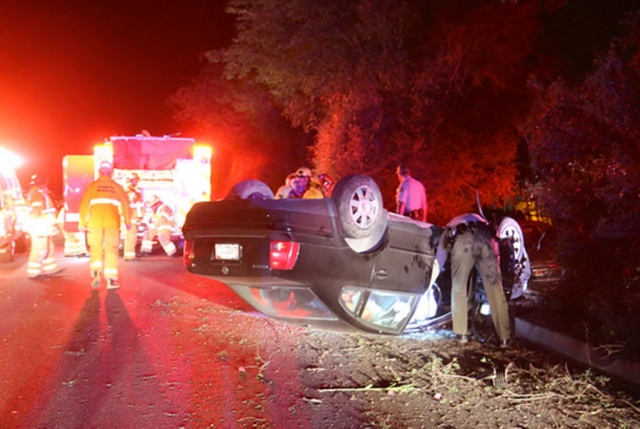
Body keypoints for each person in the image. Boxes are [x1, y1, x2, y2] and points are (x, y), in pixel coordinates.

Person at [437, 213, 511, 348]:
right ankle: (504, 338)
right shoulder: (478, 218)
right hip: (485, 238)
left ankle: (462, 334)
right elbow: (496, 241)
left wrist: (434, 275)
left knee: (459, 287)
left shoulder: (450, 226)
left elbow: (440, 257)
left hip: (463, 239)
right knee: (496, 289)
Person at [78, 161, 131, 289]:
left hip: (94, 223)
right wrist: (128, 222)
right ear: (111, 173)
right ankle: (110, 280)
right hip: (112, 223)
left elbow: (84, 205)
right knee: (111, 250)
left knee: (95, 248)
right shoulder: (118, 188)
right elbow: (125, 205)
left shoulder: (92, 186)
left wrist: (82, 222)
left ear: (100, 172)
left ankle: (96, 273)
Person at [26, 175, 60, 279]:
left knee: (49, 247)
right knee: (39, 249)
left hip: (43, 226)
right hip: (39, 226)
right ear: (41, 183)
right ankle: (34, 272)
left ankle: (50, 269)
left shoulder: (39, 193)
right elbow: (36, 211)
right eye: (45, 183)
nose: (47, 185)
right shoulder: (37, 194)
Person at [123, 172, 144, 261]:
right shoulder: (131, 192)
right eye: (135, 180)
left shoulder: (130, 190)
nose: (137, 182)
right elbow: (135, 204)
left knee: (129, 236)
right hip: (131, 217)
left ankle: (128, 255)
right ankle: (130, 256)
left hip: (131, 217)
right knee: (131, 236)